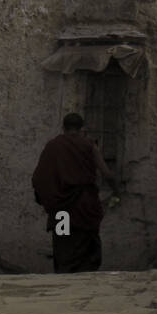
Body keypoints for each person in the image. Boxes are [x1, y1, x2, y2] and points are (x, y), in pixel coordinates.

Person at [31, 113, 119, 273]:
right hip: (84, 207)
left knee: (63, 244)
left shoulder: (53, 146)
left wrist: (46, 199)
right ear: (81, 129)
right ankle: (85, 280)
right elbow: (106, 174)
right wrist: (116, 190)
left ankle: (65, 278)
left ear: (63, 128)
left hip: (61, 210)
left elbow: (39, 178)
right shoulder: (89, 145)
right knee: (86, 244)